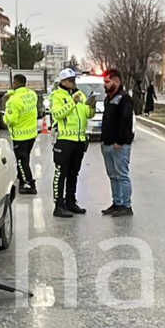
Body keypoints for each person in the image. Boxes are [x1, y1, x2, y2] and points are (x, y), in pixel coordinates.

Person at [49, 68, 92, 217]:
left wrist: (91, 106)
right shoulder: (57, 96)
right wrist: (72, 103)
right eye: (70, 80)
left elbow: (87, 114)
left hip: (79, 140)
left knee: (74, 173)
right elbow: (58, 114)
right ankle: (58, 205)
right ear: (63, 81)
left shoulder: (80, 94)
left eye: (74, 80)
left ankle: (71, 202)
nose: (73, 83)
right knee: (61, 173)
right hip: (64, 140)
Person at [99, 68, 135, 217]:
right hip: (107, 143)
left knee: (122, 175)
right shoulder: (108, 98)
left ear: (117, 81)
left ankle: (126, 206)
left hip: (119, 145)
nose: (105, 85)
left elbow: (126, 121)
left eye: (107, 82)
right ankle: (117, 203)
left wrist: (120, 141)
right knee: (113, 176)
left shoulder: (124, 98)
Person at [4, 74, 40, 194]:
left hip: (20, 136)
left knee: (21, 161)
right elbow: (20, 95)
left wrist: (5, 112)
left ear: (16, 83)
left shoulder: (13, 101)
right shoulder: (32, 95)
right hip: (31, 134)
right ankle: (22, 177)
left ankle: (28, 184)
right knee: (25, 158)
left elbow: (11, 119)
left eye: (13, 83)